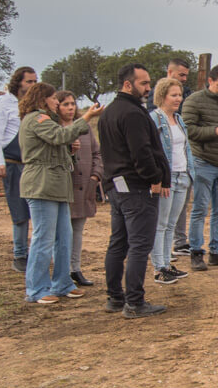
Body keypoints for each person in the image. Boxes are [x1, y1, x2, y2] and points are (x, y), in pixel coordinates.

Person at [18, 83, 102, 304]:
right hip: (42, 186)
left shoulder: (48, 121)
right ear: (42, 99)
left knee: (64, 237)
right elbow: (58, 137)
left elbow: (59, 146)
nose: (57, 102)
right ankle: (36, 289)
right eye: (54, 98)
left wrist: (70, 152)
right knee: (43, 239)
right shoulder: (37, 119)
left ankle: (63, 283)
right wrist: (86, 118)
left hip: (58, 186)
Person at [98, 63, 170, 318]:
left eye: (149, 83)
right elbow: (142, 152)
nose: (149, 88)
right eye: (143, 83)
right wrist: (155, 178)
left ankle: (115, 297)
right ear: (127, 84)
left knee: (118, 243)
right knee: (140, 244)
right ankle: (135, 302)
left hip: (116, 186)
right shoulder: (132, 113)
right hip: (136, 188)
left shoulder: (109, 112)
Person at [182, 64, 218, 270]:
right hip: (203, 162)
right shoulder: (193, 101)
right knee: (200, 208)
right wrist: (214, 131)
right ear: (210, 81)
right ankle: (196, 252)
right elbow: (188, 130)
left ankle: (216, 251)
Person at [0, 66, 37, 272]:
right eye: (29, 82)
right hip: (13, 163)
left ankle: (35, 252)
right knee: (19, 210)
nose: (32, 85)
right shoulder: (3, 103)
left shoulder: (33, 105)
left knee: (35, 207)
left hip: (31, 163)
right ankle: (19, 254)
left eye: (35, 82)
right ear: (18, 83)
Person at [146, 58, 195, 259]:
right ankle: (160, 264)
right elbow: (152, 152)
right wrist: (158, 178)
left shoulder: (179, 119)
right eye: (173, 95)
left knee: (171, 224)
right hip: (166, 178)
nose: (178, 99)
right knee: (161, 223)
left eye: (180, 95)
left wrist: (190, 173)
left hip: (182, 176)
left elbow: (186, 148)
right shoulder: (155, 118)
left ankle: (166, 261)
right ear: (162, 96)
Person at [55, 91, 103, 288]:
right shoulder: (55, 129)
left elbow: (97, 152)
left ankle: (76, 269)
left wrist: (95, 175)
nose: (70, 108)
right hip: (64, 187)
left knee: (78, 230)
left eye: (73, 104)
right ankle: (62, 271)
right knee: (62, 232)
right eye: (65, 104)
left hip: (85, 187)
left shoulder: (85, 129)